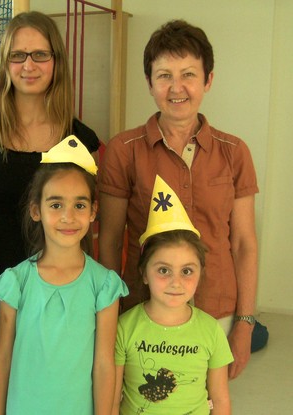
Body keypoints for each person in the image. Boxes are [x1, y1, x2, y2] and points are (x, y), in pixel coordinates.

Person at [98, 19, 264, 380]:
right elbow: (109, 241)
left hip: (216, 310)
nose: (177, 88)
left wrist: (245, 323)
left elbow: (244, 243)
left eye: (188, 74)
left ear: (208, 80)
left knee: (206, 401)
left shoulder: (235, 152)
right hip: (143, 310)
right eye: (164, 76)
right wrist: (109, 316)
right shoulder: (124, 150)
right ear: (149, 82)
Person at [0, 11, 101, 286]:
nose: (28, 65)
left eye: (40, 55)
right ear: (5, 63)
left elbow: (85, 231)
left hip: (55, 293)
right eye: (18, 55)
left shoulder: (81, 140)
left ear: (57, 61)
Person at [0, 136, 128, 414]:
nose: (68, 216)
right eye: (56, 205)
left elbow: (104, 363)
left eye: (79, 205)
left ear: (93, 212)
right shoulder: (16, 282)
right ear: (36, 210)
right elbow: (3, 357)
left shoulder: (104, 285)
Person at [113, 175, 233, 415]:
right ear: (144, 273)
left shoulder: (211, 330)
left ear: (200, 273)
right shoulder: (124, 327)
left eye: (187, 271)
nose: (176, 282)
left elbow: (220, 401)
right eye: (163, 270)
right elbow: (113, 400)